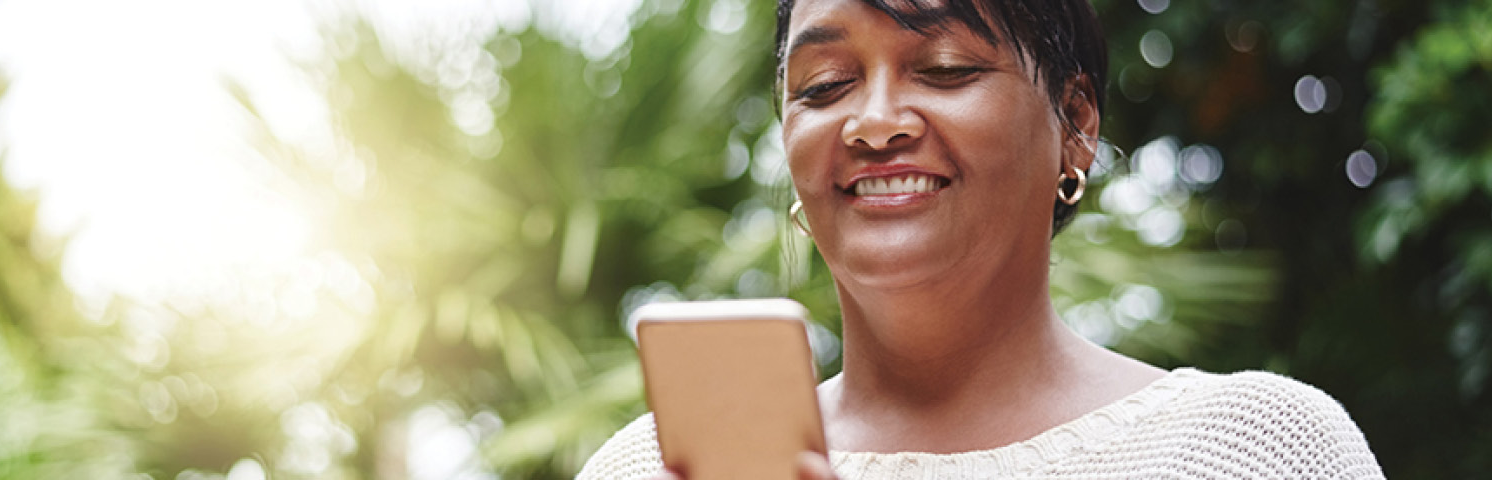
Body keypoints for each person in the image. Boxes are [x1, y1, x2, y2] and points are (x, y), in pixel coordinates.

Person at [578, 0, 1385, 478]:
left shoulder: (1249, 450)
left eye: (944, 68)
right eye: (823, 87)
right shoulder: (646, 471)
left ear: (1074, 126)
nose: (873, 123)